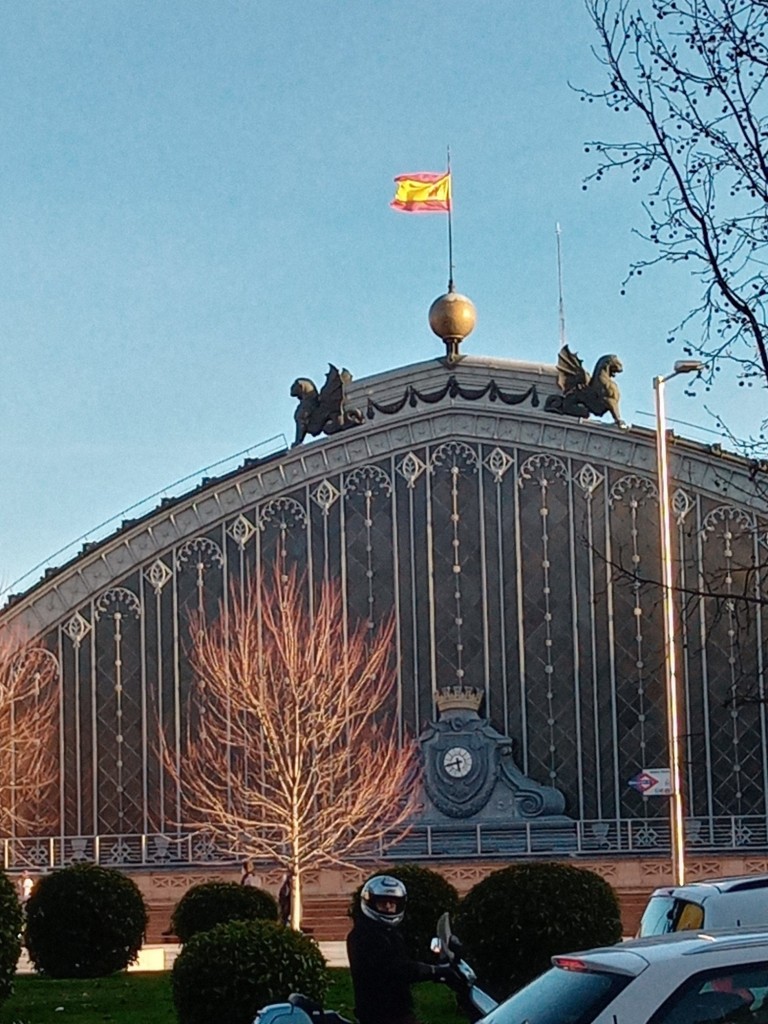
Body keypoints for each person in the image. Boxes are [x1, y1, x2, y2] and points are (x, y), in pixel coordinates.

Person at [346, 875, 450, 1024]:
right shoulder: (364, 935)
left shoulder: (388, 932)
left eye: (392, 902)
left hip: (395, 1012)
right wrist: (433, 971)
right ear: (371, 902)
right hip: (381, 1015)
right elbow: (395, 968)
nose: (388, 906)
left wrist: (436, 960)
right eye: (383, 902)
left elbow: (405, 959)